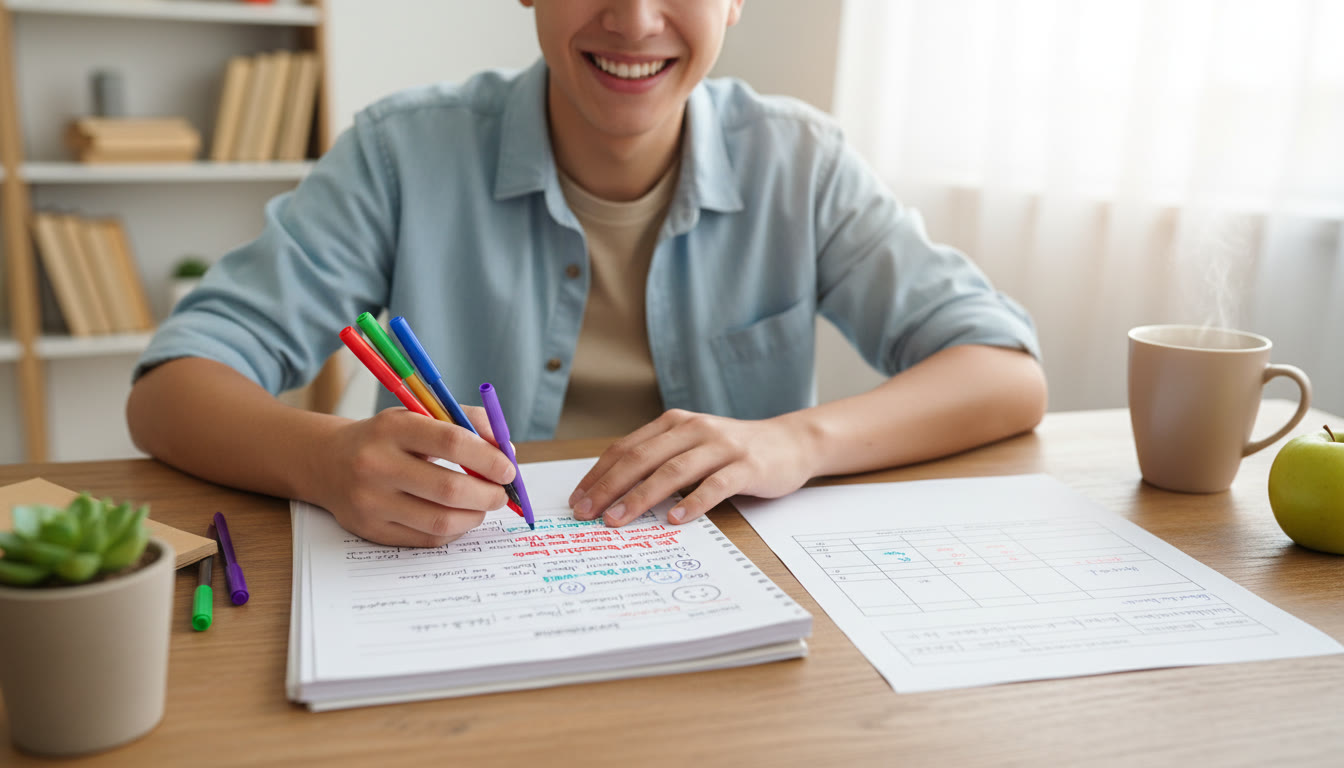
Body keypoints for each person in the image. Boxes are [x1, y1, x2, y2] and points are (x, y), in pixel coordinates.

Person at [126, 0, 1047, 548]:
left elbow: (1003, 371)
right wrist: (323, 460)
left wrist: (795, 442)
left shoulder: (798, 162)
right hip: (454, 603)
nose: (636, 20)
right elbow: (172, 387)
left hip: (721, 605)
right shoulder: (403, 152)